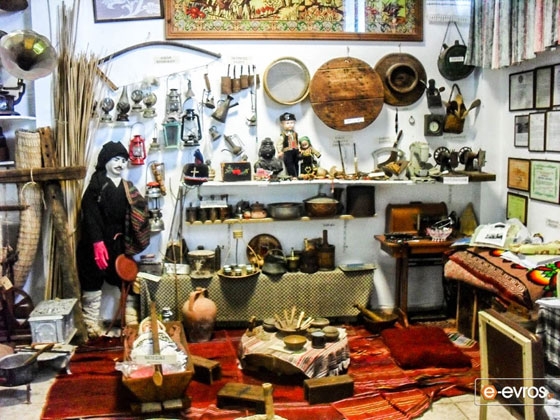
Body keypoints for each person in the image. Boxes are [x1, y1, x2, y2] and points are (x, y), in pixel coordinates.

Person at [77, 141, 147, 338]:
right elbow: (90, 215)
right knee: (92, 279)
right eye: (116, 159)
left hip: (119, 244)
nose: (120, 164)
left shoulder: (127, 187)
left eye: (124, 160)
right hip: (96, 244)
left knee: (127, 278)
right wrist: (97, 242)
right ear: (105, 160)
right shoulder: (96, 186)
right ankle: (91, 325)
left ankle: (131, 322)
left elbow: (138, 209)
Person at [276, 112, 299, 178]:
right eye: (287, 123)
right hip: (287, 152)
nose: (290, 125)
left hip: (295, 151)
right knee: (289, 164)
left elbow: (297, 142)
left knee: (296, 163)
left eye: (292, 123)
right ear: (282, 124)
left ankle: (296, 175)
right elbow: (279, 143)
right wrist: (280, 151)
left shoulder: (295, 133)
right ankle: (292, 175)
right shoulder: (283, 135)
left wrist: (299, 149)